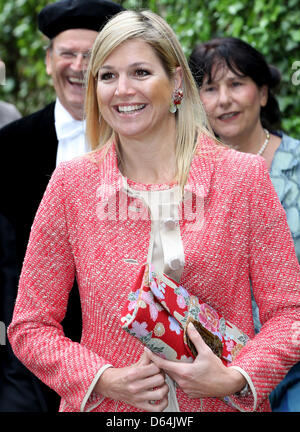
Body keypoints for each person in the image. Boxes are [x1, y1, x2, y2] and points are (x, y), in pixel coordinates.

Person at [7, 10, 300, 413]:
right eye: (107, 76)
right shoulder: (70, 185)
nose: (122, 90)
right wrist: (104, 379)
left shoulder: (243, 177)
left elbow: (290, 313)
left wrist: (236, 377)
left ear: (176, 81)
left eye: (141, 72)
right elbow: (30, 325)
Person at [0, 0, 124, 412]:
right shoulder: (11, 144)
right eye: (68, 53)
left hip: (119, 351)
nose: (78, 66)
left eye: (91, 56)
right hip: (28, 355)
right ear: (49, 60)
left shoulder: (138, 138)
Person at [188, 37, 300, 412]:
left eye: (236, 84)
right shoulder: (184, 178)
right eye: (210, 89)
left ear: (263, 94)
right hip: (217, 366)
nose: (224, 100)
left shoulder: (296, 164)